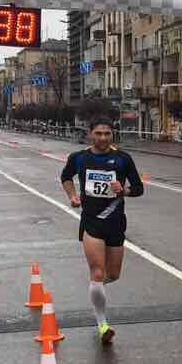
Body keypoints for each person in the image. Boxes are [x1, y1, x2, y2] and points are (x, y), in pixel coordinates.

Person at [60, 117, 145, 344]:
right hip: (91, 221)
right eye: (98, 133)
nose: (103, 138)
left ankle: (95, 289)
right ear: (90, 134)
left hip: (115, 222)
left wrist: (124, 190)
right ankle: (102, 324)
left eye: (107, 133)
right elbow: (65, 177)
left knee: (113, 275)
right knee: (97, 272)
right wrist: (72, 196)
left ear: (112, 134)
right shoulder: (79, 158)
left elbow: (139, 188)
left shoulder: (123, 159)